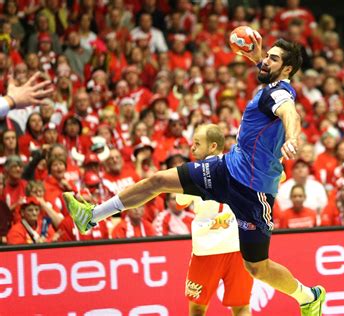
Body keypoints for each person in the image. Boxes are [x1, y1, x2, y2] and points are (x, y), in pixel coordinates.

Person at [64, 37, 326, 314]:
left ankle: (308, 296)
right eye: (268, 56)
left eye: (274, 59)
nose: (266, 61)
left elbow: (290, 113)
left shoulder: (279, 94)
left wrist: (293, 137)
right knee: (159, 181)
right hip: (226, 169)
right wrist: (257, 56)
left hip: (253, 191)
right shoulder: (271, 83)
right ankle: (91, 216)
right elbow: (265, 69)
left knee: (257, 267)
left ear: (287, 70)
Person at [174, 124, 253, 315]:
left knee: (198, 308)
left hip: (207, 250)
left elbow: (180, 203)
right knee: (241, 306)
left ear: (212, 146)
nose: (192, 148)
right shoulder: (240, 165)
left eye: (197, 143)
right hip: (239, 246)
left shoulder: (191, 171)